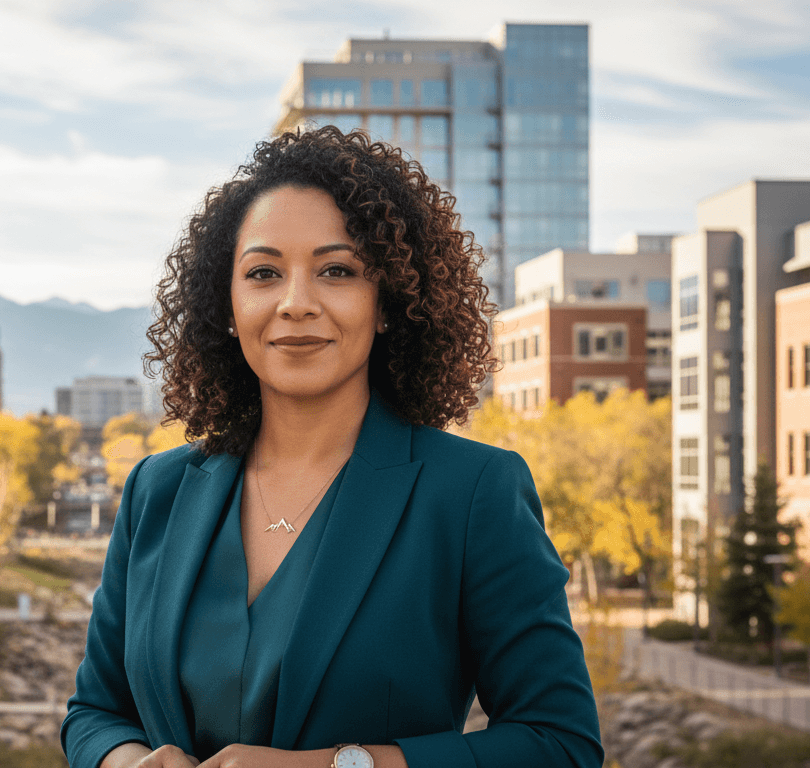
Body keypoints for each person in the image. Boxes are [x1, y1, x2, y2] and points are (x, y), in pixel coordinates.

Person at [61, 127, 602, 768]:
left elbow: (560, 744)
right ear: (227, 306)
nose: (295, 303)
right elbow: (95, 712)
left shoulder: (471, 493)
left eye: (336, 271)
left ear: (388, 302)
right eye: (263, 273)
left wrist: (337, 766)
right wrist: (126, 761)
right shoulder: (158, 488)